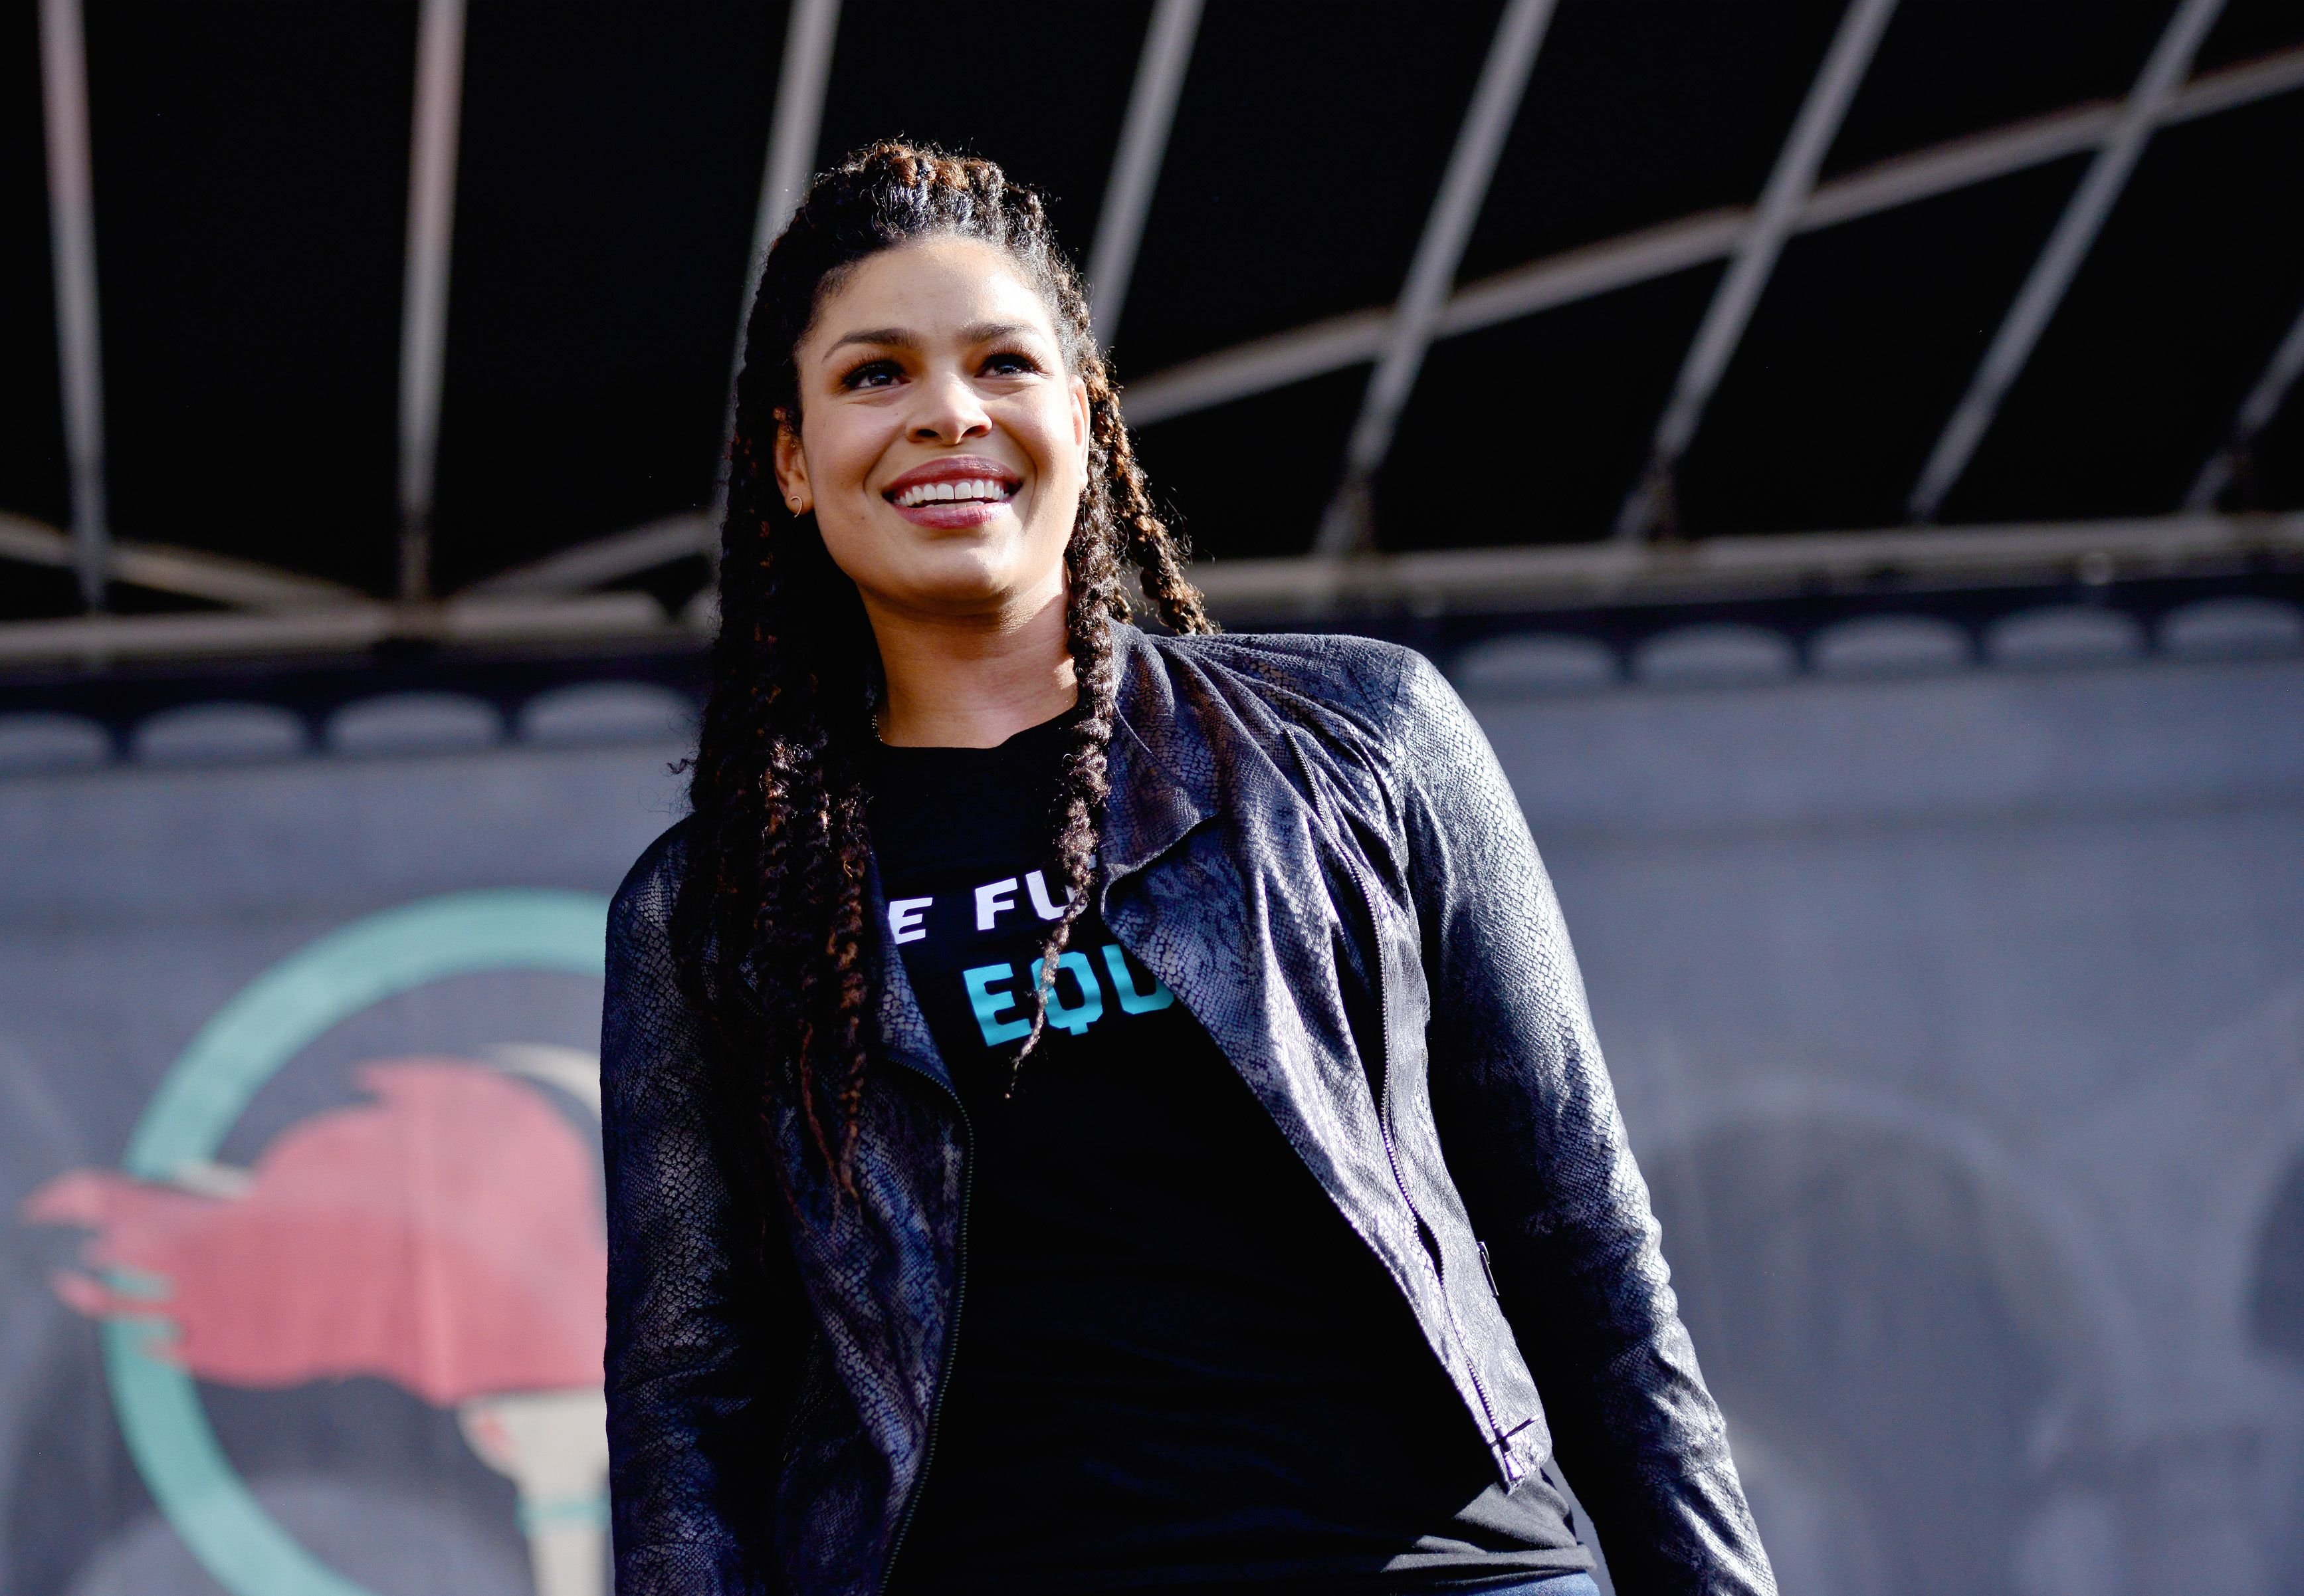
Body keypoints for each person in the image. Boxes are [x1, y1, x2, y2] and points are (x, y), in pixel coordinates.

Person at [601, 142, 1773, 1596]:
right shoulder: (713, 906)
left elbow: (1581, 1238)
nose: (947, 413)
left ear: (1086, 419)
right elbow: (686, 1408)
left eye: (1002, 363)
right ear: (791, 459)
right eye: (874, 375)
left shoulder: (1363, 739)